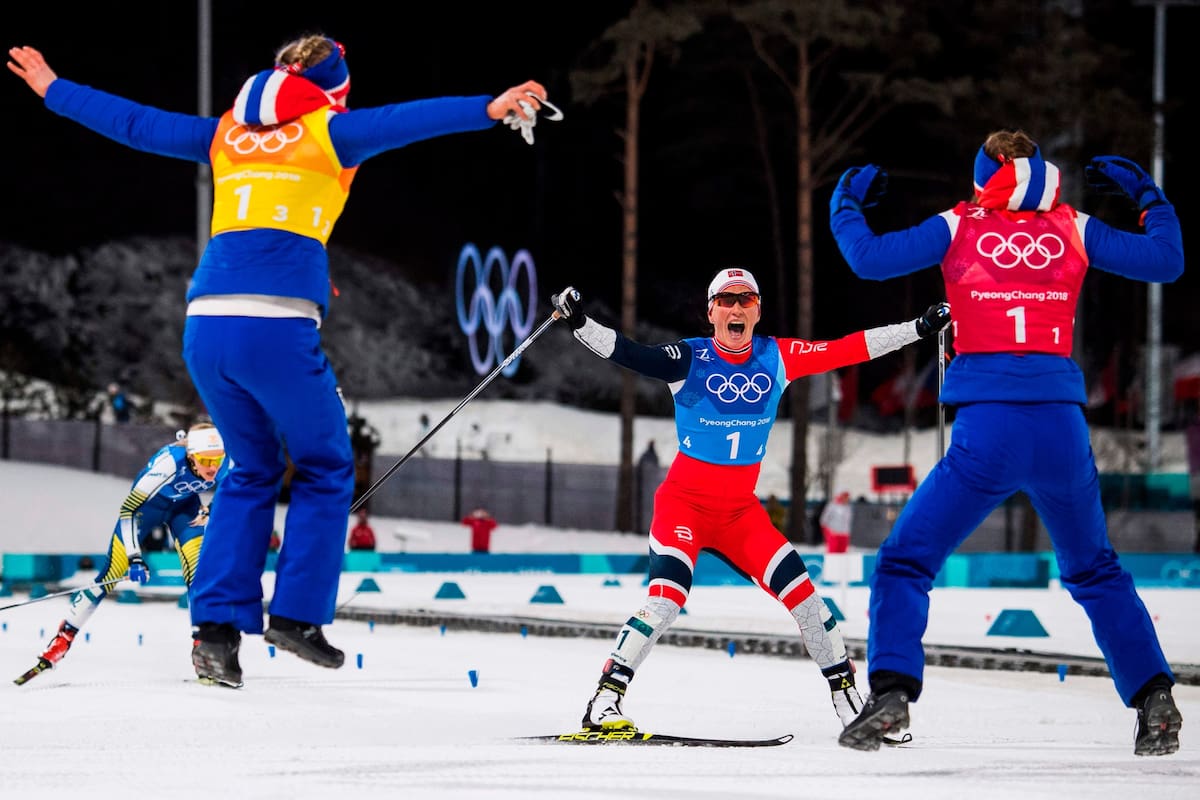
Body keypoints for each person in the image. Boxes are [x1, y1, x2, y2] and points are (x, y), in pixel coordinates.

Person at [8, 39, 554, 688]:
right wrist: (490, 108)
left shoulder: (225, 134)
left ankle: (213, 636)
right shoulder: (332, 132)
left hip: (207, 329)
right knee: (324, 466)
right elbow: (411, 119)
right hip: (276, 329)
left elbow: (136, 123)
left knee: (253, 467)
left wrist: (52, 86)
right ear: (334, 90)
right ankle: (295, 617)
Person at [829, 129, 1184, 755]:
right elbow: (1166, 261)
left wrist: (845, 201)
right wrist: (1149, 197)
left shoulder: (959, 225)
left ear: (979, 177)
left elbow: (866, 258)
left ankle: (890, 696)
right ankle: (1155, 699)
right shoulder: (1072, 225)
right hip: (1060, 429)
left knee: (907, 563)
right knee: (1096, 571)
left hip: (987, 430)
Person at [550, 268, 950, 733]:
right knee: (666, 600)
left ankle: (851, 704)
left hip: (740, 514)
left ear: (757, 310)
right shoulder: (689, 358)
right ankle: (604, 701)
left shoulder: (778, 356)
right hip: (685, 506)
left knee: (808, 601)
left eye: (746, 299)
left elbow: (850, 347)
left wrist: (917, 328)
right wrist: (579, 321)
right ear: (711, 312)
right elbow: (628, 352)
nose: (737, 308)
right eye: (726, 300)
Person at [16, 423, 228, 685]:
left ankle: (203, 651)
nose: (212, 467)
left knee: (199, 576)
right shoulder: (168, 465)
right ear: (191, 455)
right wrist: (135, 556)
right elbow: (128, 509)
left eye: (216, 460)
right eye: (205, 460)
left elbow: (236, 485)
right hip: (145, 509)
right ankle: (62, 640)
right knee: (111, 574)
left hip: (185, 509)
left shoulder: (222, 460)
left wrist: (211, 508)